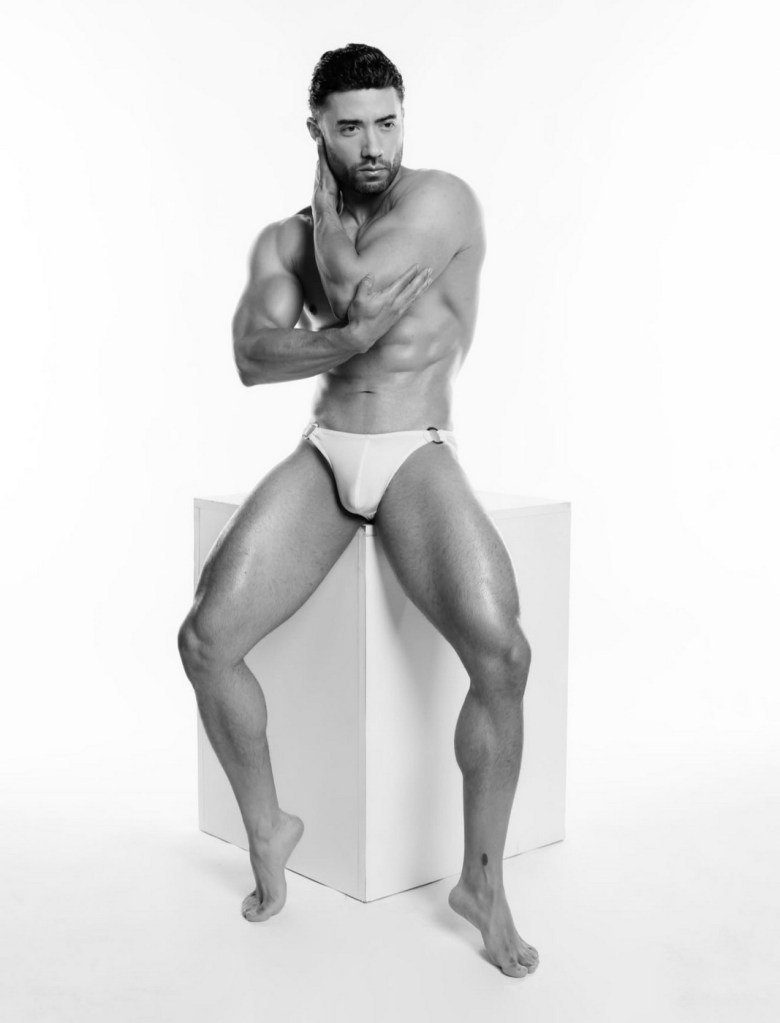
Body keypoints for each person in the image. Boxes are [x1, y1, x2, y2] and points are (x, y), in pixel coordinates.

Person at [178, 43, 539, 979]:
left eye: (387, 121)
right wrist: (340, 337)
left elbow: (355, 295)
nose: (374, 145)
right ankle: (269, 825)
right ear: (317, 131)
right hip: (328, 449)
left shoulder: (442, 201)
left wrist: (334, 322)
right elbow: (253, 358)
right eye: (349, 128)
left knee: (503, 654)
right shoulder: (284, 238)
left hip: (414, 447)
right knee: (206, 639)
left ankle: (482, 882)